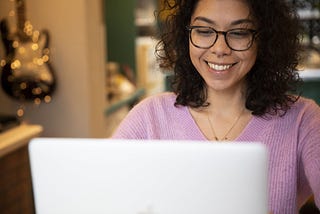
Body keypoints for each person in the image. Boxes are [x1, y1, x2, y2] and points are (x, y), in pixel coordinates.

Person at [112, 0, 320, 213]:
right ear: (187, 36)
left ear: (264, 39)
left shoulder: (303, 121)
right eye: (203, 31)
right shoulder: (148, 118)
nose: (220, 49)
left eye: (239, 33)